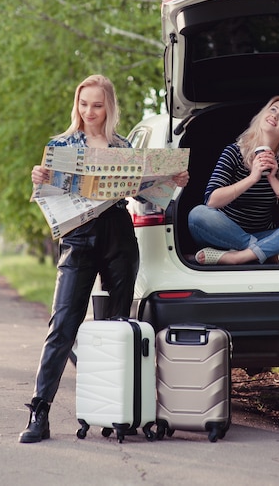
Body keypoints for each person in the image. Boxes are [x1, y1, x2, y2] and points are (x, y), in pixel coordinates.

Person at [19, 74, 189, 443]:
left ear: (108, 106)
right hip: (78, 238)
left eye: (97, 105)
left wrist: (172, 181)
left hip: (118, 234)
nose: (89, 111)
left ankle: (116, 412)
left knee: (117, 327)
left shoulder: (124, 146)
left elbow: (144, 198)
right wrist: (39, 178)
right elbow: (48, 197)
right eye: (84, 104)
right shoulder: (62, 145)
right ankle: (39, 411)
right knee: (63, 324)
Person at [188, 94, 279, 266]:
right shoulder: (234, 152)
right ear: (263, 116)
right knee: (198, 214)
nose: (274, 116)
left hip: (267, 236)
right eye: (273, 110)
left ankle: (238, 257)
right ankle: (268, 255)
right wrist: (252, 177)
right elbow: (212, 201)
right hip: (224, 233)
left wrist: (272, 178)